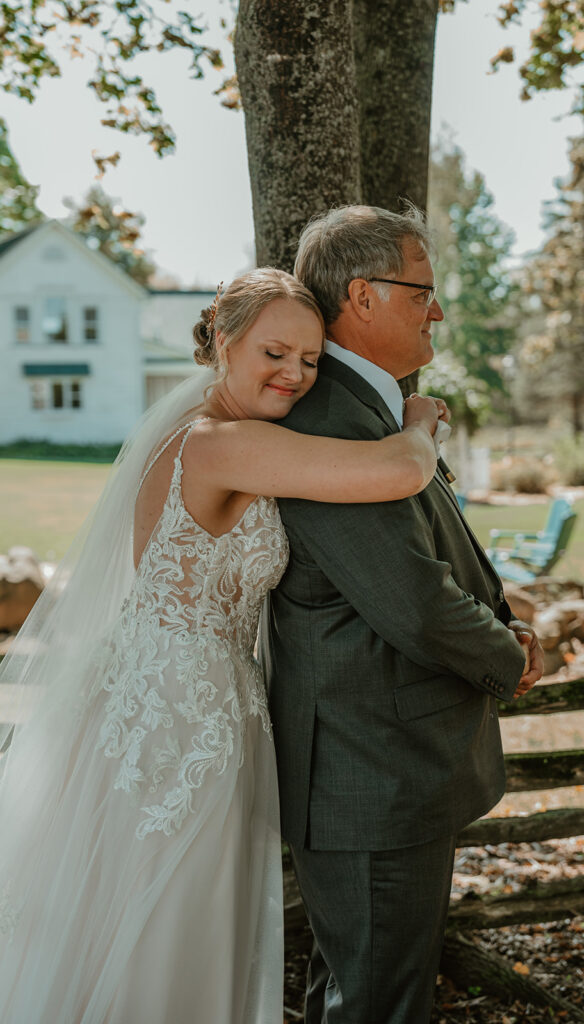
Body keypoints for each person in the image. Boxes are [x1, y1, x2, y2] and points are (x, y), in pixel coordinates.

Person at [0, 268, 447, 1024]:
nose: (295, 375)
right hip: (180, 716)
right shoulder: (215, 445)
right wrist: (420, 418)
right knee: (169, 910)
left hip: (190, 697)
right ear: (223, 342)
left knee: (162, 909)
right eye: (276, 352)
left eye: (310, 360)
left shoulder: (215, 436)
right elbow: (400, 471)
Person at [260, 206, 545, 1024]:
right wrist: (508, 653)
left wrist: (501, 618)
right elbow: (413, 604)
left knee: (363, 985)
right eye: (423, 291)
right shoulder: (327, 422)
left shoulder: (374, 409)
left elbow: (424, 552)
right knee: (377, 1000)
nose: (439, 310)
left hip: (384, 762)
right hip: (368, 770)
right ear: (362, 296)